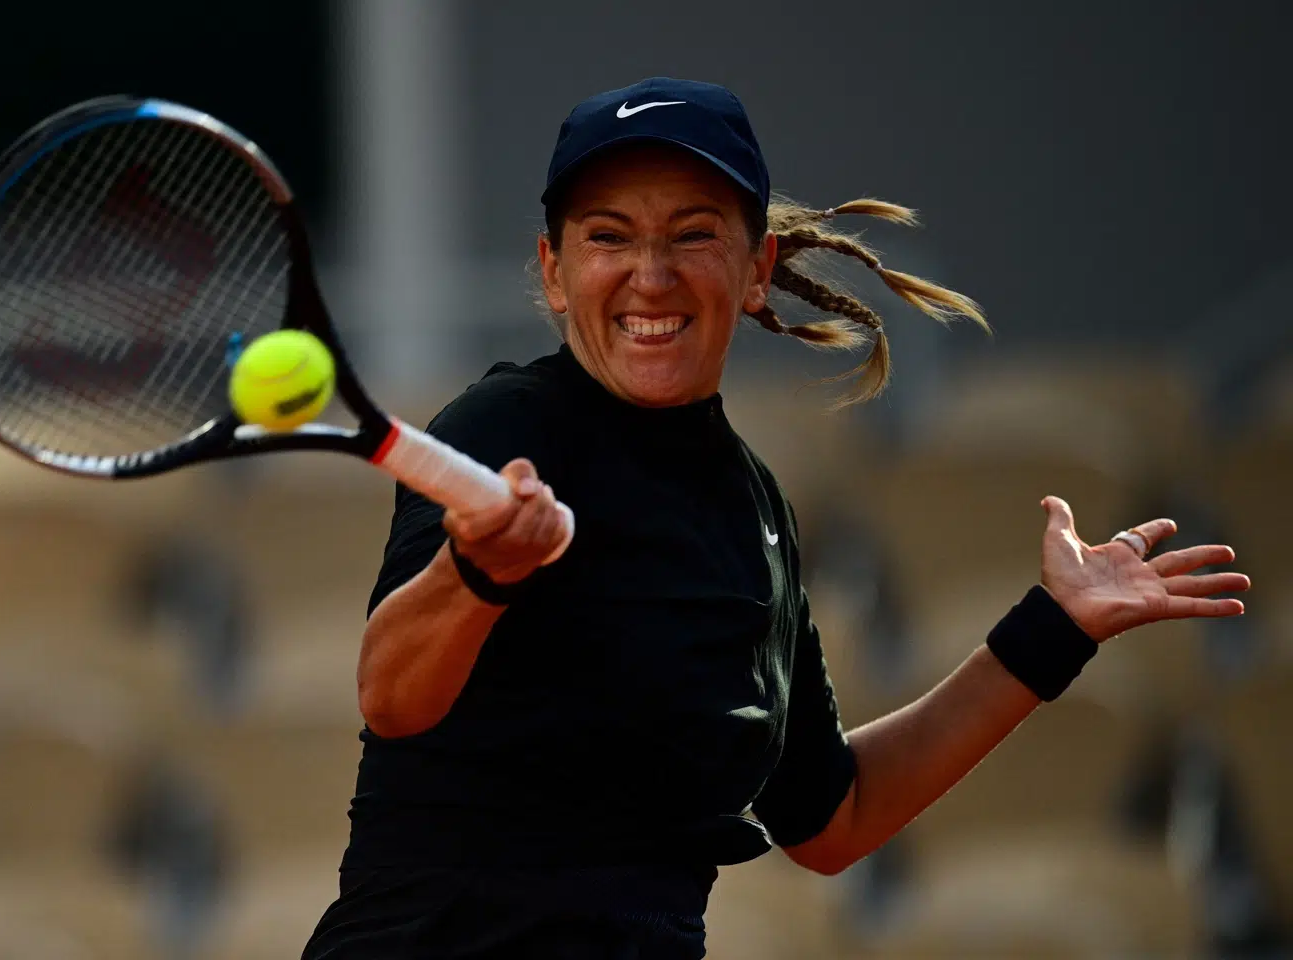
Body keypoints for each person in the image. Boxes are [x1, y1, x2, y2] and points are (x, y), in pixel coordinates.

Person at [302, 77, 1250, 960]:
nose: (651, 275)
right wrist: (478, 575)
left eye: (692, 234)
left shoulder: (752, 507)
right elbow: (392, 697)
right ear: (554, 272)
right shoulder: (503, 429)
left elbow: (834, 819)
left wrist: (1056, 628)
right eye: (607, 237)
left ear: (757, 268)